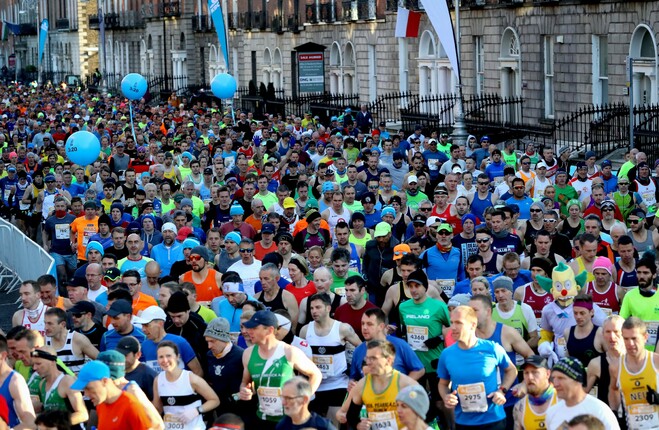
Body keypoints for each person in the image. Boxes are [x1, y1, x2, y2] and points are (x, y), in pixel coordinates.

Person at [238, 310, 322, 430]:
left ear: (270, 330)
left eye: (254, 328)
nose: (248, 331)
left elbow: (316, 375)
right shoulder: (248, 354)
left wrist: (303, 400)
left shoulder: (289, 352)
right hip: (262, 418)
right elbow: (245, 383)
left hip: (289, 420)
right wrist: (245, 391)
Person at [437, 306, 517, 430]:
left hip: (493, 420)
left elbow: (511, 370)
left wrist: (502, 391)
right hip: (463, 422)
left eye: (458, 323)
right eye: (451, 322)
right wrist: (446, 397)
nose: (453, 327)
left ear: (472, 325)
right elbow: (443, 384)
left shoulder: (492, 348)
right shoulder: (447, 354)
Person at [299, 293, 361, 418]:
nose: (314, 311)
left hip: (338, 383)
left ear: (328, 308)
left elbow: (362, 349)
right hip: (315, 384)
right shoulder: (305, 330)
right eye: (311, 308)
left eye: (318, 307)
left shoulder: (342, 328)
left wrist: (355, 375)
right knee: (315, 424)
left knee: (333, 422)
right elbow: (299, 357)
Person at [338, 340, 419, 430]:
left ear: (389, 360)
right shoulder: (362, 385)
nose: (368, 362)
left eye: (373, 358)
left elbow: (425, 415)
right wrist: (358, 425)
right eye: (367, 358)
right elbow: (351, 416)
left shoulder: (406, 384)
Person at [152, 341, 220, 430]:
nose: (165, 360)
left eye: (168, 356)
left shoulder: (191, 378)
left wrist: (197, 410)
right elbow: (157, 408)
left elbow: (215, 400)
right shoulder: (158, 380)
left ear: (177, 357)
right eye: (161, 357)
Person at [349, 308, 425, 385]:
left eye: (369, 324)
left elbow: (419, 370)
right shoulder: (358, 351)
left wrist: (400, 386)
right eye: (362, 323)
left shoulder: (400, 345)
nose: (364, 327)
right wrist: (352, 383)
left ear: (381, 326)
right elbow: (353, 378)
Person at [608, 317, 659, 430]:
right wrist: (615, 414)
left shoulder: (656, 362)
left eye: (634, 338)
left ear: (645, 337)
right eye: (626, 339)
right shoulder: (616, 366)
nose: (630, 343)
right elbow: (613, 389)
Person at [70, 360, 152, 429]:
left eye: (89, 388)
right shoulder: (100, 405)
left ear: (104, 381)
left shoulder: (130, 405)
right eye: (84, 389)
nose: (86, 394)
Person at [544, 357, 620, 430]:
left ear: (577, 380)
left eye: (561, 378)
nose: (555, 383)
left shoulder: (599, 409)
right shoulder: (552, 412)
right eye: (554, 378)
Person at [134, 306, 203, 376]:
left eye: (147, 325)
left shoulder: (180, 342)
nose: (143, 329)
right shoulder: (144, 346)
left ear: (160, 323)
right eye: (142, 326)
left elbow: (198, 371)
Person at [30, 347, 88, 426]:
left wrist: (55, 425)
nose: (34, 368)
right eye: (33, 364)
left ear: (52, 362)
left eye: (38, 364)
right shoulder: (42, 384)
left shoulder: (67, 381)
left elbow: (83, 415)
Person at [204, 317, 246, 419]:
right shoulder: (209, 355)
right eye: (207, 341)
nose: (209, 346)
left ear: (224, 339)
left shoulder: (241, 355)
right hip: (219, 411)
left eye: (212, 341)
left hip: (239, 412)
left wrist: (234, 398)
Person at [619, 256, 659, 352]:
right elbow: (621, 322)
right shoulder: (630, 296)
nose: (641, 276)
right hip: (638, 350)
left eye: (645, 273)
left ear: (654, 275)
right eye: (639, 272)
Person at [43, 307, 99, 374]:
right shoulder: (44, 341)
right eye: (45, 323)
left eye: (50, 324)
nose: (45, 327)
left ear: (62, 324)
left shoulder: (77, 339)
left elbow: (101, 360)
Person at [512, 355, 557, 430]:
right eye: (526, 373)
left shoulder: (564, 401)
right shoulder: (519, 407)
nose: (530, 377)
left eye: (535, 372)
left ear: (548, 374)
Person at [114, 336, 158, 401]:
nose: (122, 358)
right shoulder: (115, 372)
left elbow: (156, 403)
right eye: (120, 355)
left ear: (138, 355)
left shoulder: (148, 375)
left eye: (125, 355)